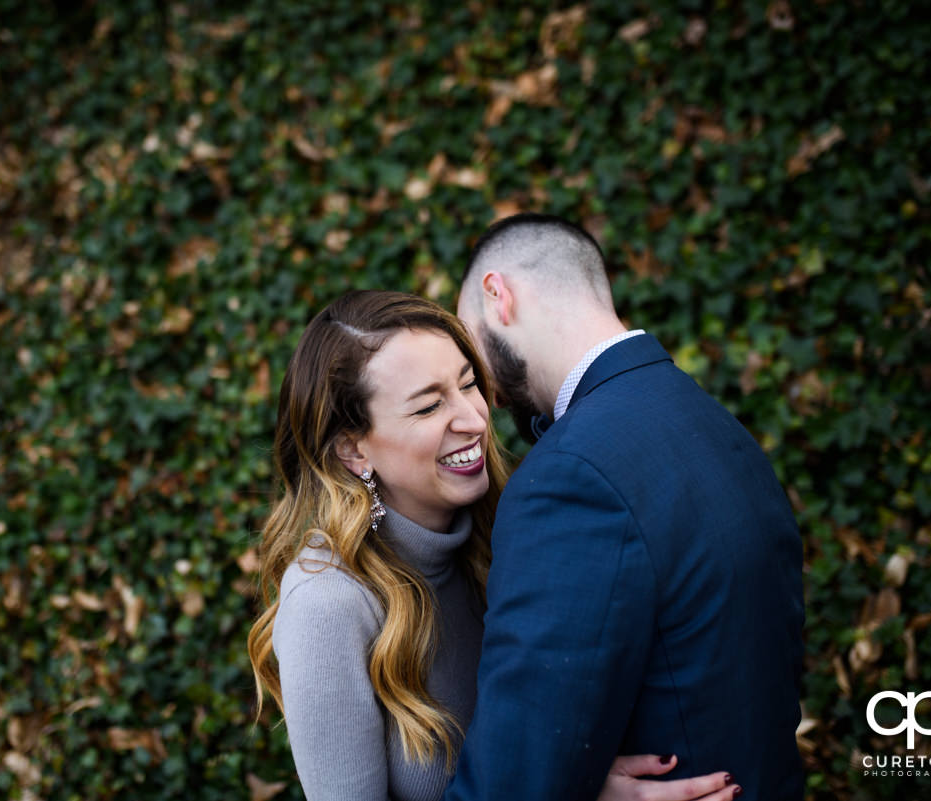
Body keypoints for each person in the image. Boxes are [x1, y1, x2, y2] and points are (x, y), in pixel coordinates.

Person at [247, 290, 743, 801]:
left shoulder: (515, 530)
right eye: (429, 405)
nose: (474, 418)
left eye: (468, 383)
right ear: (353, 449)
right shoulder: (327, 604)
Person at [444, 214, 805, 801]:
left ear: (497, 295)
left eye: (468, 342)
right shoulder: (720, 427)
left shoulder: (568, 478)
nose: (483, 387)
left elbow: (516, 781)